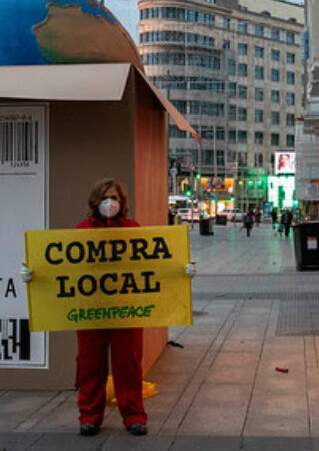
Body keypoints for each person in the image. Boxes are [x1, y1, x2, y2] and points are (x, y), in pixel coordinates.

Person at [20, 178, 195, 437]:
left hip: (127, 311)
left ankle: (134, 415)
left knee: (129, 365)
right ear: (95, 202)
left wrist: (181, 271)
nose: (109, 203)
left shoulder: (133, 229)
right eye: (104, 198)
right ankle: (89, 416)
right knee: (90, 365)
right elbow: (63, 266)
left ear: (121, 203)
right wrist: (34, 274)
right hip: (91, 311)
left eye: (114, 198)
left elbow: (153, 263)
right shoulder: (82, 231)